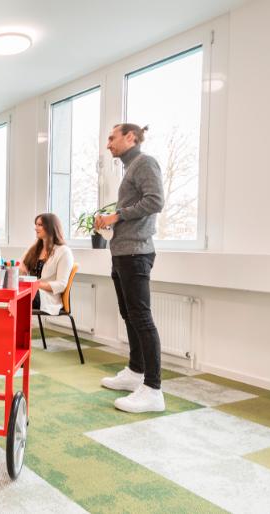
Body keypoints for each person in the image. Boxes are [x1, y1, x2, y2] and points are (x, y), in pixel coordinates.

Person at [96, 123, 165, 413]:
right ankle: (136, 372)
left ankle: (153, 389)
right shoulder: (130, 168)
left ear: (131, 137)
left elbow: (156, 201)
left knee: (141, 318)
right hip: (123, 252)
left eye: (112, 138)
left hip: (137, 252)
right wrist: (112, 219)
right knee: (129, 314)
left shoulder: (145, 162)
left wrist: (117, 216)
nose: (108, 144)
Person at [20, 213, 74, 313]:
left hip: (47, 297)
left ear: (51, 227)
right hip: (31, 291)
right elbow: (21, 267)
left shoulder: (64, 251)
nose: (36, 228)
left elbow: (61, 285)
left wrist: (35, 285)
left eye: (40, 225)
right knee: (11, 294)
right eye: (36, 225)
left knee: (17, 298)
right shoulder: (35, 248)